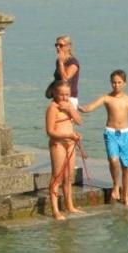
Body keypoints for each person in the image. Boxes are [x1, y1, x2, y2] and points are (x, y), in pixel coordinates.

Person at [81, 70, 128, 206]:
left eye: (119, 82)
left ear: (125, 83)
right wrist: (77, 108)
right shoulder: (106, 98)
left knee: (127, 167)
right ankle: (116, 186)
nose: (116, 85)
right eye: (114, 82)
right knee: (113, 160)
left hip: (126, 134)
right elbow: (90, 107)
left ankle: (126, 197)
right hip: (111, 133)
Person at [45, 80, 86, 220]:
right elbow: (50, 131)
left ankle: (70, 206)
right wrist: (69, 135)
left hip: (71, 144)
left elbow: (79, 121)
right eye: (61, 94)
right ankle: (55, 210)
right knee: (57, 177)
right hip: (58, 144)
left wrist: (70, 109)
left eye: (67, 94)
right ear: (55, 93)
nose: (64, 97)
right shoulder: (53, 108)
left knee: (69, 176)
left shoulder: (69, 105)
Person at [53, 35, 81, 107]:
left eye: (61, 45)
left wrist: (61, 63)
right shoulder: (59, 61)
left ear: (69, 46)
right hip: (58, 96)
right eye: (56, 45)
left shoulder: (73, 62)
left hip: (69, 97)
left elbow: (65, 79)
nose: (58, 47)